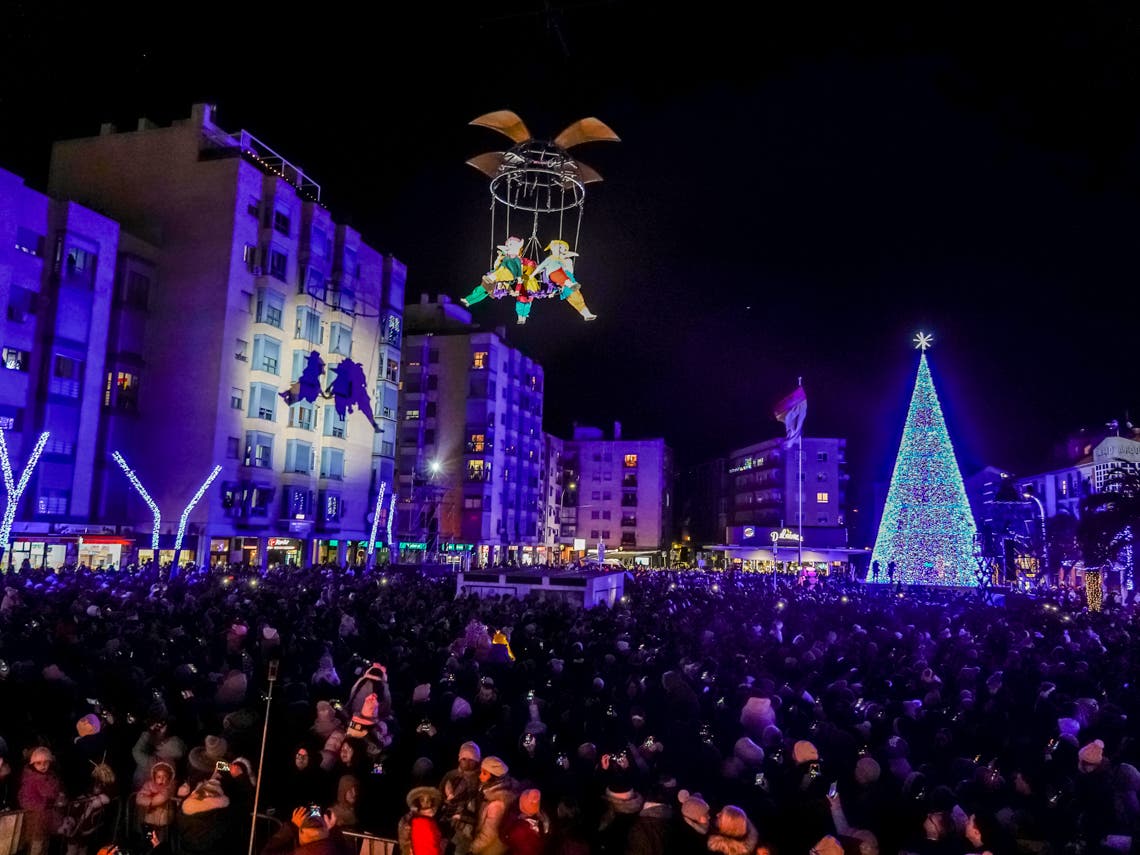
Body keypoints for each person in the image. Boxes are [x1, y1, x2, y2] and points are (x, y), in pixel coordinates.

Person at [531, 239, 597, 321]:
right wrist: (533, 275)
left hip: (568, 281)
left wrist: (553, 292)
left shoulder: (565, 260)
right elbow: (545, 269)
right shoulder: (554, 260)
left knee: (577, 300)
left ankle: (586, 315)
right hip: (565, 281)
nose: (563, 250)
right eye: (560, 247)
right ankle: (586, 314)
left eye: (564, 248)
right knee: (576, 298)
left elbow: (567, 256)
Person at [18, 746, 65, 855]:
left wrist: (60, 797)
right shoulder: (30, 780)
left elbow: (57, 792)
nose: (43, 766)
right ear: (32, 764)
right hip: (35, 821)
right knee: (36, 847)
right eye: (38, 763)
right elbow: (26, 800)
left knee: (45, 846)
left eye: (46, 762)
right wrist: (46, 803)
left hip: (48, 819)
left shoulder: (52, 777)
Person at [461, 237, 526, 308]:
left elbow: (519, 269)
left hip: (506, 274)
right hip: (499, 277)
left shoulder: (515, 259)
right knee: (484, 293)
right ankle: (469, 302)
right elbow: (500, 268)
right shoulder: (506, 258)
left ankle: (468, 299)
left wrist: (519, 278)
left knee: (481, 289)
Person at [260, 806, 354, 855]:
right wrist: (333, 830)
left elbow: (267, 853)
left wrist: (291, 827)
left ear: (301, 835)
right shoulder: (338, 850)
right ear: (326, 829)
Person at [397, 786, 446, 855]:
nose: (426, 802)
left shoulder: (432, 822)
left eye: (428, 800)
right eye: (422, 799)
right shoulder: (415, 821)